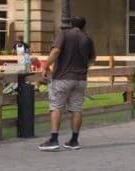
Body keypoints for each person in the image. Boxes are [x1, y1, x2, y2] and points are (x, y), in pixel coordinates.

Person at [38, 17, 96, 151]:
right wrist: (83, 67)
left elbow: (56, 51)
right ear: (83, 26)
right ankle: (74, 140)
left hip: (63, 78)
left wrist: (46, 66)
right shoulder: (87, 39)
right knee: (77, 109)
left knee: (56, 107)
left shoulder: (64, 34)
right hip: (81, 79)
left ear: (70, 24)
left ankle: (53, 139)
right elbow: (93, 59)